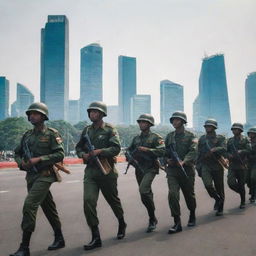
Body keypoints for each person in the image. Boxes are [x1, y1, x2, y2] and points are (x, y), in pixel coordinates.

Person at [11, 102, 65, 256]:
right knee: (48, 207)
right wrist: (22, 163)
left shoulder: (51, 134)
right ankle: (59, 237)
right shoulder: (27, 135)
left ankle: (24, 247)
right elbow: (17, 153)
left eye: (35, 113)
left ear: (43, 116)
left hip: (45, 175)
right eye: (30, 114)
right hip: (31, 176)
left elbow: (60, 154)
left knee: (29, 205)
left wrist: (39, 159)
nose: (31, 116)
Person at [75, 101, 126, 251]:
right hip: (91, 171)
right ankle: (95, 236)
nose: (92, 114)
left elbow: (116, 148)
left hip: (107, 170)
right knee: (88, 201)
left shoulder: (110, 129)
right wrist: (83, 155)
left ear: (102, 114)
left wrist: (100, 151)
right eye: (90, 112)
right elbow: (78, 147)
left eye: (95, 112)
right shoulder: (86, 131)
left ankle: (121, 222)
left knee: (113, 200)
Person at [126, 114, 165, 233]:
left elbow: (162, 150)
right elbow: (129, 149)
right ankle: (152, 216)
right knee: (145, 195)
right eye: (140, 122)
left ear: (149, 124)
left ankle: (152, 219)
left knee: (143, 190)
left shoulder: (155, 137)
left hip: (150, 168)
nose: (141, 124)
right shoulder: (136, 138)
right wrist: (129, 156)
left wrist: (147, 150)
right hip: (139, 168)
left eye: (144, 122)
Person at [164, 111, 197, 234]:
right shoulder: (169, 136)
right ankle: (177, 222)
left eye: (177, 120)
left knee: (189, 195)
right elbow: (164, 152)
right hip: (172, 171)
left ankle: (192, 214)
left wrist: (184, 161)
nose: (174, 122)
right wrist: (167, 160)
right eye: (173, 120)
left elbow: (194, 151)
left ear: (183, 121)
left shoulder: (191, 136)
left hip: (186, 170)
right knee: (172, 195)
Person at [197, 119, 227, 216]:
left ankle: (220, 207)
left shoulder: (220, 138)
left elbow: (224, 148)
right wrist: (198, 167)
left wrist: (214, 149)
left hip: (217, 164)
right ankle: (217, 199)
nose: (207, 128)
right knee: (208, 185)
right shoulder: (202, 139)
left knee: (219, 188)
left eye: (209, 126)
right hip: (205, 164)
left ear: (214, 127)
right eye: (206, 126)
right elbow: (198, 153)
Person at [227, 123, 250, 209]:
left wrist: (242, 151)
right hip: (232, 165)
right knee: (231, 183)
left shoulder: (245, 140)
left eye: (235, 129)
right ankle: (241, 192)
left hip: (242, 165)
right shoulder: (230, 141)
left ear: (240, 130)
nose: (234, 131)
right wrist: (229, 155)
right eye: (233, 129)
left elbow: (249, 150)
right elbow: (226, 151)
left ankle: (243, 201)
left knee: (241, 184)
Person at [247, 127, 256, 203]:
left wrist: (251, 156)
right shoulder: (247, 142)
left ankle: (253, 195)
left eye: (252, 133)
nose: (251, 134)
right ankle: (252, 192)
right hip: (248, 163)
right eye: (250, 133)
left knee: (253, 178)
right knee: (248, 180)